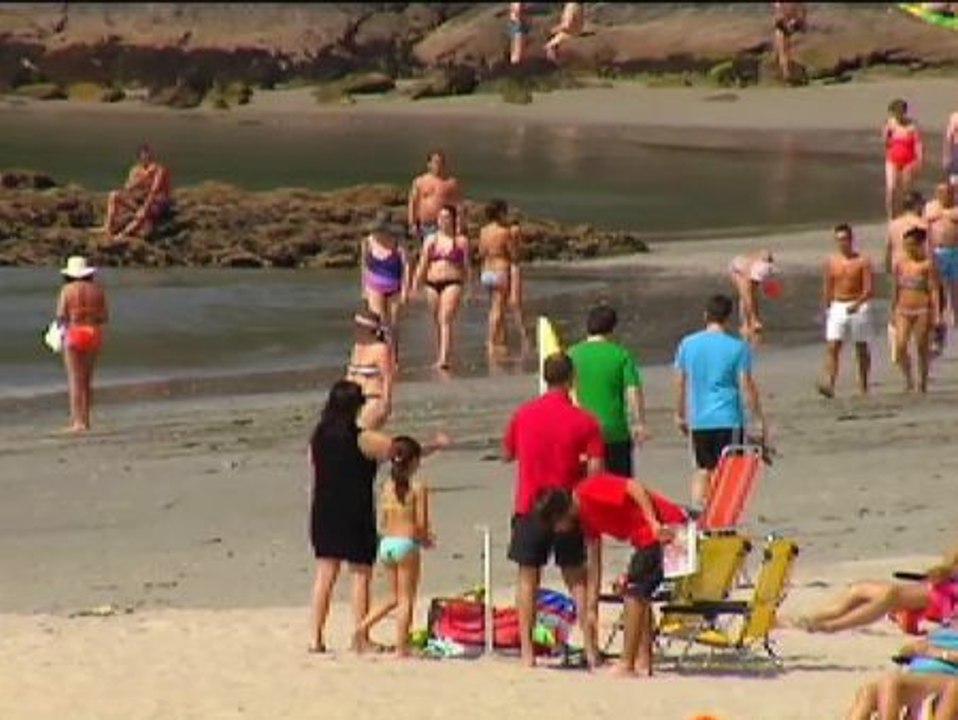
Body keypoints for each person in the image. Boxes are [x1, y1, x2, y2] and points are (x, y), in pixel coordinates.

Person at [307, 380, 447, 654]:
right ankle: (362, 636)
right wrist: (435, 445)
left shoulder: (318, 435)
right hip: (354, 509)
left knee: (325, 573)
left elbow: (314, 471)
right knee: (360, 573)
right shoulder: (363, 438)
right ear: (356, 407)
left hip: (322, 508)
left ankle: (315, 637)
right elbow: (402, 453)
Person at [502, 352, 605, 668]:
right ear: (572, 379)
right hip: (567, 510)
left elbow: (507, 454)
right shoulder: (585, 420)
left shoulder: (523, 414)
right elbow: (597, 474)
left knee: (527, 578)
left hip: (530, 505)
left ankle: (527, 653)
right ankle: (590, 648)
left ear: (544, 378)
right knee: (576, 577)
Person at [535, 474, 685, 677]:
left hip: (664, 528)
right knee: (636, 588)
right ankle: (643, 660)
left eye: (554, 526)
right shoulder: (584, 518)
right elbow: (594, 559)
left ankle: (627, 663)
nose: (557, 532)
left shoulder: (588, 489)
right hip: (644, 539)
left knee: (634, 593)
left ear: (559, 514)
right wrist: (590, 606)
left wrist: (653, 522)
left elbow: (633, 487)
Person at [673, 294, 767, 510]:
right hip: (729, 418)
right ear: (728, 318)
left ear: (706, 315)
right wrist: (758, 418)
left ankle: (699, 512)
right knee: (728, 472)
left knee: (702, 469)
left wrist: (679, 414)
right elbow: (746, 385)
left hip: (700, 419)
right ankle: (720, 515)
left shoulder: (688, 344)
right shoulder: (737, 347)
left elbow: (680, 382)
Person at [354, 436, 434, 658]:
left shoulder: (386, 487)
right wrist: (427, 539)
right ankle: (401, 646)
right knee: (406, 598)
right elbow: (420, 524)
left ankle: (361, 628)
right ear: (415, 461)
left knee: (392, 596)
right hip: (406, 544)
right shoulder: (418, 488)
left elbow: (383, 519)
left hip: (387, 543)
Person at [788, 538, 958, 634]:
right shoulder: (947, 581)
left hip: (897, 592)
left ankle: (820, 623)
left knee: (877, 595)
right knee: (853, 599)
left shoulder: (944, 579)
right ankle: (821, 622)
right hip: (901, 595)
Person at [567, 304, 647, 478]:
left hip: (581, 432)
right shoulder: (621, 355)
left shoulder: (572, 354)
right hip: (615, 431)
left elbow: (566, 392)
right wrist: (638, 423)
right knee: (621, 487)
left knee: (586, 488)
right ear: (612, 329)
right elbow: (632, 391)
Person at [817, 224, 874, 399]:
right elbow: (827, 287)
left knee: (861, 347)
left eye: (845, 239)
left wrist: (858, 304)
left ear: (851, 239)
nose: (843, 243)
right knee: (833, 346)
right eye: (839, 239)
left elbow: (869, 288)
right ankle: (830, 384)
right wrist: (826, 308)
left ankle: (864, 386)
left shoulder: (862, 261)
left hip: (858, 304)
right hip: (837, 305)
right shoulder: (831, 262)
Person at [847, 630, 958, 720]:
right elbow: (904, 651)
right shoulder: (942, 632)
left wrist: (937, 653)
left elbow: (931, 651)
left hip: (947, 675)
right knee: (867, 692)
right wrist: (914, 648)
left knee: (890, 682)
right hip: (916, 675)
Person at [412, 204, 472, 370]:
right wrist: (415, 284)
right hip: (431, 283)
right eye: (440, 218)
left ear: (453, 220)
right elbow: (423, 264)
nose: (443, 221)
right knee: (437, 321)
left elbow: (466, 266)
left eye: (446, 217)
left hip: (453, 282)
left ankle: (444, 358)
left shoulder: (461, 241)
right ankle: (443, 352)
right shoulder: (431, 240)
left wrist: (469, 287)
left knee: (445, 319)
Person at [55, 256, 109, 433]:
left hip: (75, 331)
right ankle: (86, 419)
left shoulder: (67, 290)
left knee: (75, 379)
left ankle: (78, 422)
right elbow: (104, 317)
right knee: (87, 379)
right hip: (93, 332)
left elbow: (61, 315)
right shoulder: (98, 291)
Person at [892, 226, 941, 394]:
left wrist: (936, 313)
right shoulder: (900, 264)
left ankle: (922, 382)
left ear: (920, 244)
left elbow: (934, 289)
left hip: (922, 309)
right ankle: (908, 379)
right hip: (902, 309)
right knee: (900, 346)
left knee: (921, 347)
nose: (908, 248)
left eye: (911, 244)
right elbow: (896, 288)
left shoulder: (927, 265)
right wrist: (893, 310)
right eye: (906, 245)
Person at [477, 199, 528, 357]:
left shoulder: (483, 231)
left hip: (486, 270)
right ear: (500, 213)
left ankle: (497, 339)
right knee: (498, 308)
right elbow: (512, 254)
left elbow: (481, 251)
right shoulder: (504, 232)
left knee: (493, 306)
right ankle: (491, 341)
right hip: (500, 269)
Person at [360, 210, 411, 363]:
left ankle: (393, 355)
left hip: (394, 285)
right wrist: (363, 287)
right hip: (374, 285)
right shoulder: (367, 242)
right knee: (379, 321)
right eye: (377, 229)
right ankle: (381, 356)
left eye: (381, 229)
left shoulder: (397, 243)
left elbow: (407, 266)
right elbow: (364, 266)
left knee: (393, 323)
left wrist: (405, 289)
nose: (379, 232)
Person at [99, 143, 172, 241]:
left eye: (147, 154)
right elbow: (127, 187)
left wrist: (145, 207)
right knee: (114, 195)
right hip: (140, 200)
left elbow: (154, 191)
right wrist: (138, 180)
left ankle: (122, 235)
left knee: (143, 212)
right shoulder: (135, 170)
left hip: (157, 203)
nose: (146, 157)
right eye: (143, 155)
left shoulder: (159, 170)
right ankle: (107, 228)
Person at [344, 308, 395, 430]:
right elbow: (350, 374)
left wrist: (386, 402)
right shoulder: (357, 347)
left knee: (359, 436)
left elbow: (388, 376)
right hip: (353, 401)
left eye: (358, 327)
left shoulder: (381, 349)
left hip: (373, 399)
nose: (355, 330)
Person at [407, 150, 463, 243]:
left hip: (445, 224)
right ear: (429, 164)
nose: (439, 165)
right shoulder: (420, 181)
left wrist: (459, 225)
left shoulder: (451, 183)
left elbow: (459, 206)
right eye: (436, 162)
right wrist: (412, 224)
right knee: (427, 251)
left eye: (441, 162)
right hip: (425, 224)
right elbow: (413, 203)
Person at [925, 183, 958, 337]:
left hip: (954, 251)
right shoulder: (930, 206)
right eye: (941, 193)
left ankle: (955, 314)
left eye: (947, 193)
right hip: (936, 251)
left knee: (954, 285)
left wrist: (943, 214)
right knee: (936, 286)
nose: (944, 196)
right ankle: (938, 315)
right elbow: (924, 223)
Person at [884, 99, 923, 221]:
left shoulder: (912, 126)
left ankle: (905, 213)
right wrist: (887, 136)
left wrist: (919, 159)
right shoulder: (890, 124)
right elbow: (885, 142)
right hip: (892, 160)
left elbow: (918, 143)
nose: (898, 115)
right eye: (895, 113)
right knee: (891, 188)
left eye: (900, 112)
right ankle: (891, 215)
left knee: (906, 189)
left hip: (909, 160)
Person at [728, 249, 778, 344]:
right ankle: (745, 324)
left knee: (752, 294)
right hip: (737, 270)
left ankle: (754, 320)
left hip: (748, 265)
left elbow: (765, 252)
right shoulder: (744, 277)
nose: (758, 283)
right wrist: (753, 320)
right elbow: (748, 301)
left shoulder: (763, 260)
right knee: (745, 297)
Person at [772, 2, 807, 84]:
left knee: (784, 51)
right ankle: (787, 74)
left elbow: (778, 12)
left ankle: (787, 74)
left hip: (786, 23)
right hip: (785, 23)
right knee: (784, 51)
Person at [944, 109, 958, 188]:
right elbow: (948, 138)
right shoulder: (955, 117)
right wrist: (946, 156)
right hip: (956, 150)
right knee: (953, 181)